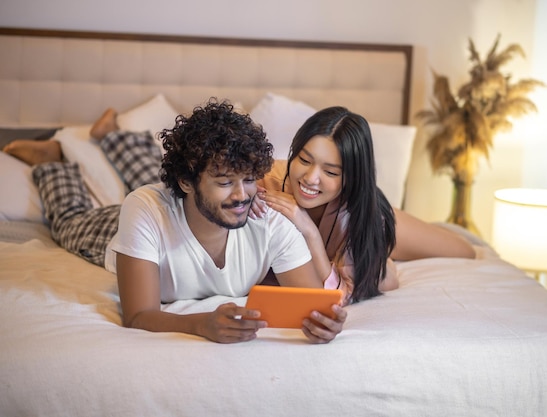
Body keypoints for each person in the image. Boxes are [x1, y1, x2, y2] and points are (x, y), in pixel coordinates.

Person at [2, 99, 346, 344]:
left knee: (187, 188)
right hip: (117, 227)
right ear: (185, 182)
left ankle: (113, 135)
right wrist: (200, 325)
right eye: (226, 181)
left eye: (249, 179)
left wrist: (325, 325)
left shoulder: (268, 219)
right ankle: (52, 162)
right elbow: (138, 315)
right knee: (71, 220)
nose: (243, 195)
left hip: (187, 203)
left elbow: (312, 303)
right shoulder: (145, 209)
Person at [253, 106, 476, 305]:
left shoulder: (360, 215)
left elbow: (342, 292)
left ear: (352, 177)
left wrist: (310, 232)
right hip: (343, 241)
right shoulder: (262, 180)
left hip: (367, 215)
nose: (311, 178)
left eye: (330, 172)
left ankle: (383, 252)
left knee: (463, 250)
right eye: (304, 160)